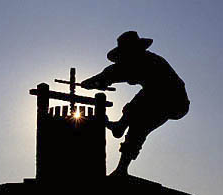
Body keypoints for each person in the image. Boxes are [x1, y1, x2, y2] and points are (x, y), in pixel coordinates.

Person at [81, 31, 190, 176]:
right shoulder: (136, 61)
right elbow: (112, 73)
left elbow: (114, 73)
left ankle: (121, 165)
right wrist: (94, 82)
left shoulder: (146, 61)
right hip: (158, 97)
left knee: (139, 125)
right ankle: (120, 127)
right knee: (140, 106)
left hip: (174, 101)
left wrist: (94, 82)